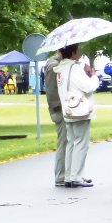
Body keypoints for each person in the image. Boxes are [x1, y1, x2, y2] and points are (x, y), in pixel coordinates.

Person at [55, 44, 97, 187]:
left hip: (68, 108)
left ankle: (70, 175)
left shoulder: (61, 69)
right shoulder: (74, 68)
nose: (79, 52)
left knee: (71, 143)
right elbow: (88, 87)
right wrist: (93, 76)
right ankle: (76, 176)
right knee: (81, 143)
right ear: (73, 52)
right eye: (78, 50)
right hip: (79, 109)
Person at [41, 49, 72, 187]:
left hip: (60, 107)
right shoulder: (54, 65)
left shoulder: (56, 64)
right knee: (64, 142)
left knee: (69, 142)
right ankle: (61, 175)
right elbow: (54, 89)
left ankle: (69, 174)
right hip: (59, 108)